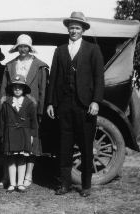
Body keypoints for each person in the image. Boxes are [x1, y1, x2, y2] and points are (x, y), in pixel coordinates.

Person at [46, 11, 104, 197]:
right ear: (68, 29)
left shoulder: (92, 49)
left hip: (85, 105)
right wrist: (50, 103)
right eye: (71, 27)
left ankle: (86, 186)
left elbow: (98, 78)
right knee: (64, 145)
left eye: (77, 27)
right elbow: (53, 79)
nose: (74, 30)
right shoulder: (60, 50)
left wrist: (95, 101)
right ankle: (65, 185)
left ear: (83, 30)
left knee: (86, 145)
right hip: (63, 104)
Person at [0, 34, 49, 189]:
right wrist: (1, 108)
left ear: (30, 48)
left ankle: (28, 175)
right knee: (9, 144)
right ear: (17, 48)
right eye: (20, 46)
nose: (23, 49)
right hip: (12, 108)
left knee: (31, 144)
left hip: (30, 109)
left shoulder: (39, 66)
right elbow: (4, 89)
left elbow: (42, 90)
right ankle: (7, 177)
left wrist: (40, 110)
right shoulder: (10, 65)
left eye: (26, 46)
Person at [0, 74, 38, 193]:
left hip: (24, 132)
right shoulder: (6, 103)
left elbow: (33, 121)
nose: (17, 89)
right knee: (11, 158)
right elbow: (2, 120)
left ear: (24, 89)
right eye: (15, 87)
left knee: (22, 158)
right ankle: (12, 183)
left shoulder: (29, 103)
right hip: (10, 132)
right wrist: (2, 135)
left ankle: (20, 184)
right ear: (11, 89)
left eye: (20, 87)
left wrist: (32, 135)